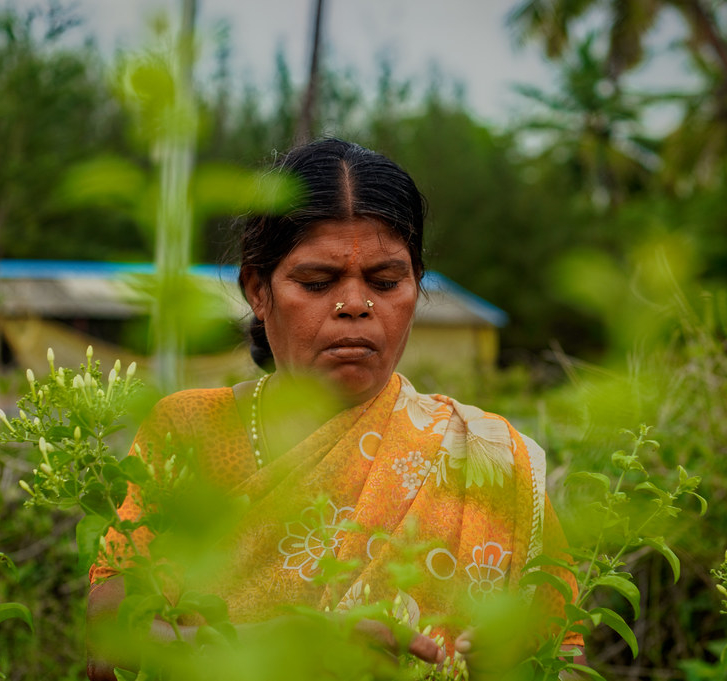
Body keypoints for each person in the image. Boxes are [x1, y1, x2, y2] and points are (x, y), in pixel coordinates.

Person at [86, 138, 583, 680]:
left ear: (416, 287)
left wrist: (516, 659)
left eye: (386, 282)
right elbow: (110, 640)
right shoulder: (191, 431)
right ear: (258, 289)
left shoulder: (488, 458)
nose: (355, 306)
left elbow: (569, 659)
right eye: (318, 283)